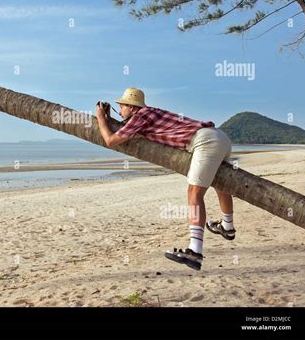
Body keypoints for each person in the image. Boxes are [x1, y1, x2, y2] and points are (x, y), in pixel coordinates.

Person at [95, 87, 236, 271]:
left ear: (131, 106)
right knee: (221, 185)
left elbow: (111, 140)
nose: (120, 110)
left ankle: (195, 251)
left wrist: (99, 118)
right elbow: (124, 129)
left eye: (121, 106)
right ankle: (227, 226)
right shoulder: (149, 113)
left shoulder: (140, 116)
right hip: (219, 136)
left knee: (194, 193)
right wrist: (108, 119)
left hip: (205, 141)